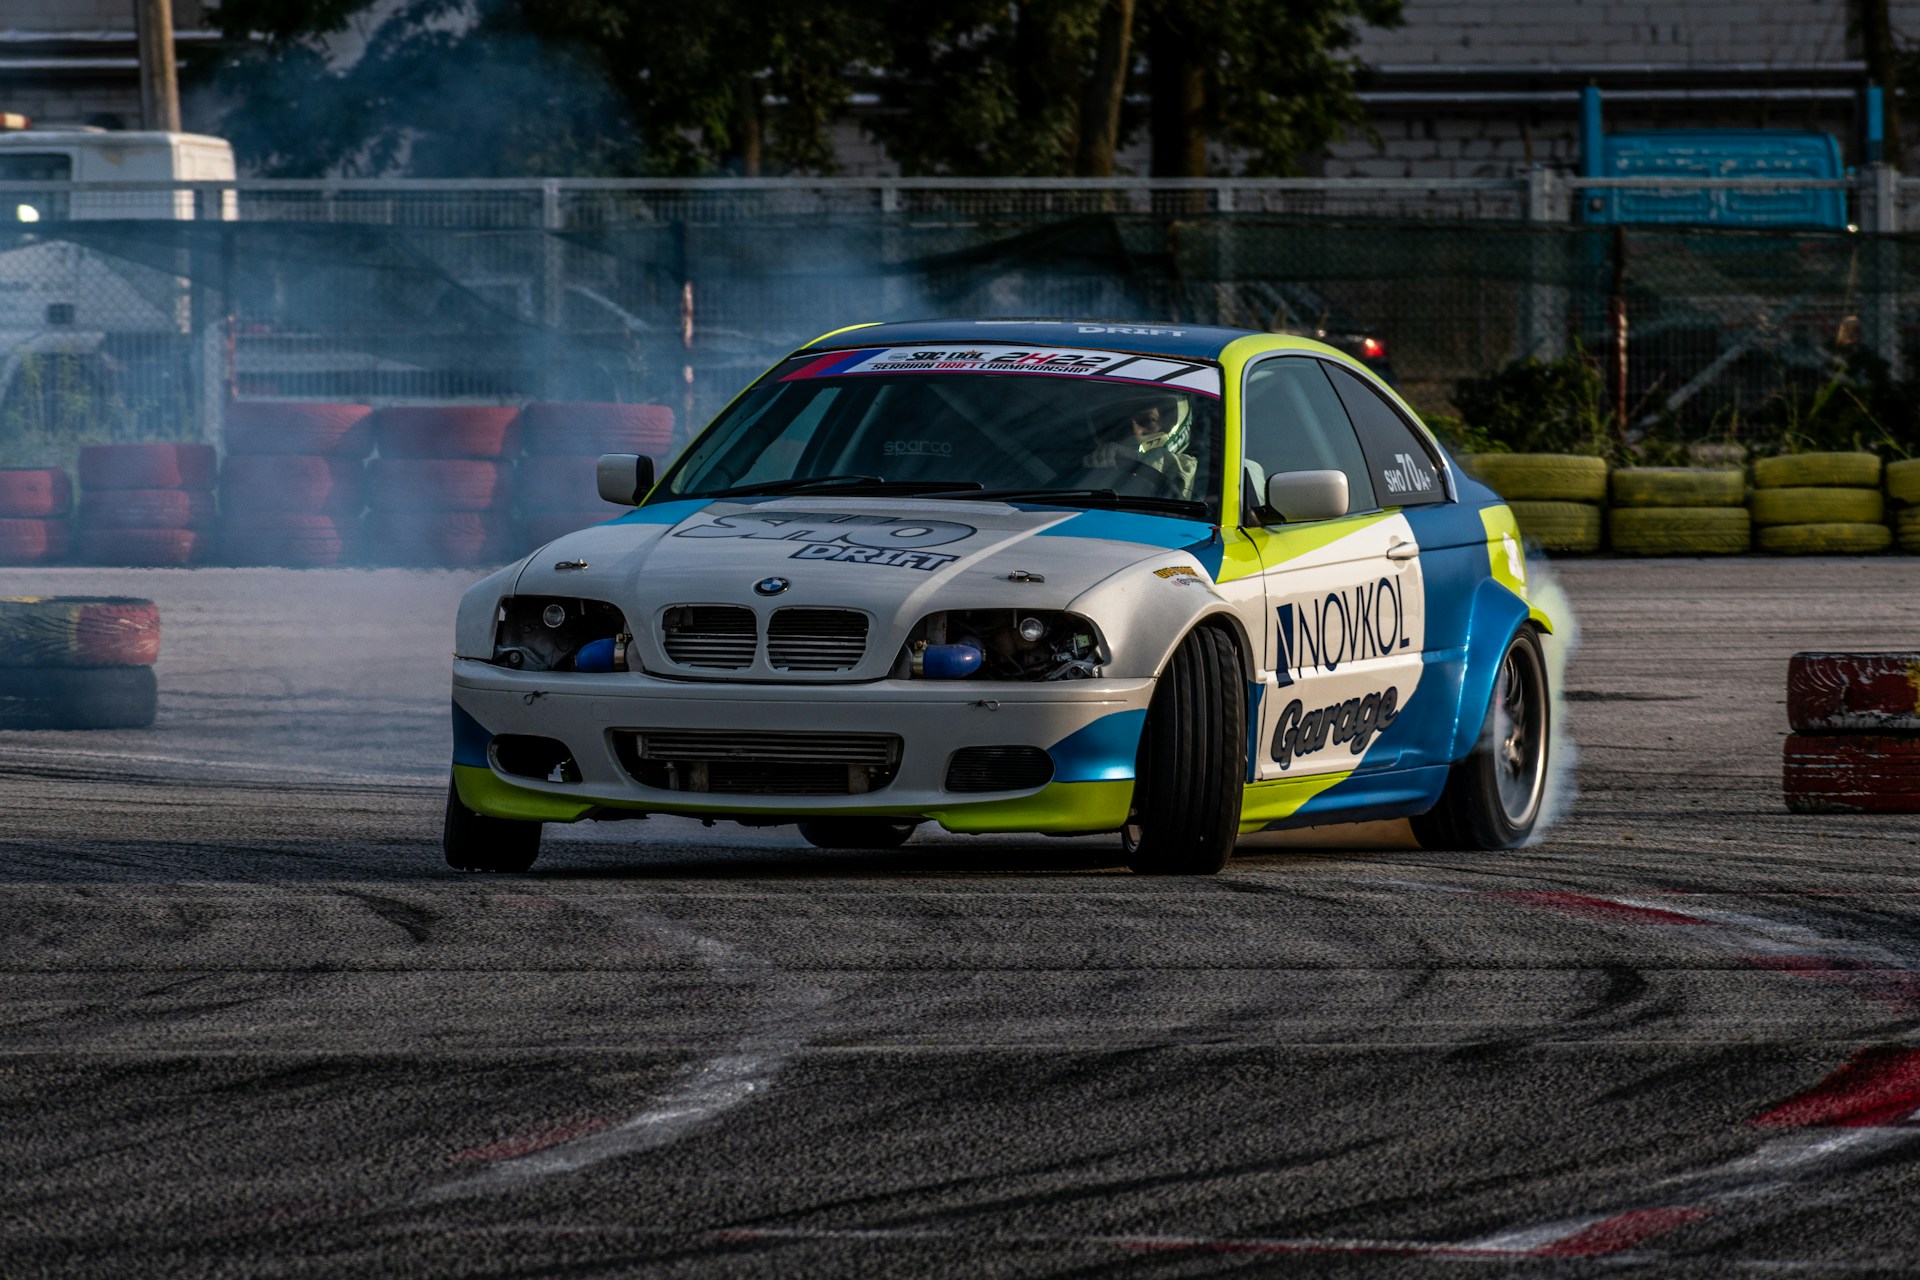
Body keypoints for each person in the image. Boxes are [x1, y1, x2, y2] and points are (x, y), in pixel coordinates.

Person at [1081, 393, 1198, 499]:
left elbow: (1184, 472)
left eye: (1148, 420)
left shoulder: (1200, 475)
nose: (1135, 431)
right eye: (1121, 423)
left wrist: (1137, 460)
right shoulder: (1086, 466)